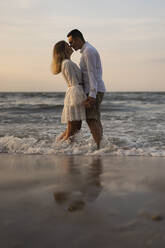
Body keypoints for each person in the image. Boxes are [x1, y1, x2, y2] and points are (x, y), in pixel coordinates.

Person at [67, 29, 106, 149]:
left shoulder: (89, 51)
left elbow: (92, 74)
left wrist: (92, 95)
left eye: (71, 42)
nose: (70, 45)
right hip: (93, 89)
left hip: (93, 90)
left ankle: (100, 147)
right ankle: (101, 146)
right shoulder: (86, 51)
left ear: (78, 39)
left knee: (92, 119)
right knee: (94, 119)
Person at [51, 40, 87, 141]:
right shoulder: (67, 63)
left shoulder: (68, 62)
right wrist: (83, 98)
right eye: (68, 45)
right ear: (63, 50)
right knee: (72, 128)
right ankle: (64, 149)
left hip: (74, 94)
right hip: (75, 95)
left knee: (75, 127)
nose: (70, 45)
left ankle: (59, 145)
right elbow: (75, 83)